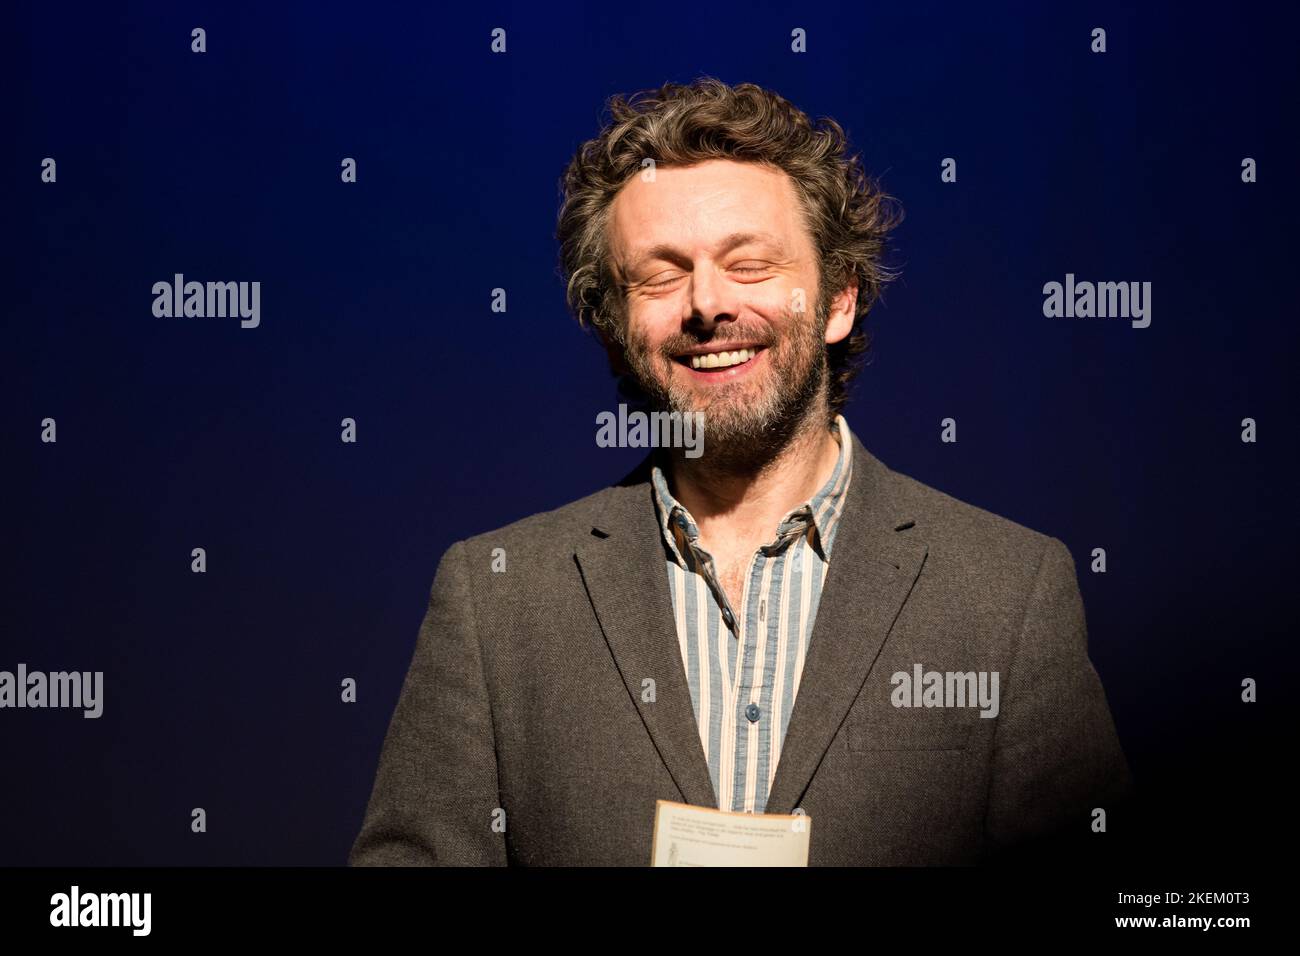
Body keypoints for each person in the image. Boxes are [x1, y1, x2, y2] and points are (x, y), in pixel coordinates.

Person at [349, 77, 1131, 866]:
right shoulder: (498, 596)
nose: (705, 303)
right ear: (617, 330)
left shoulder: (1005, 591)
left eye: (749, 263)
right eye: (659, 274)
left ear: (839, 299)